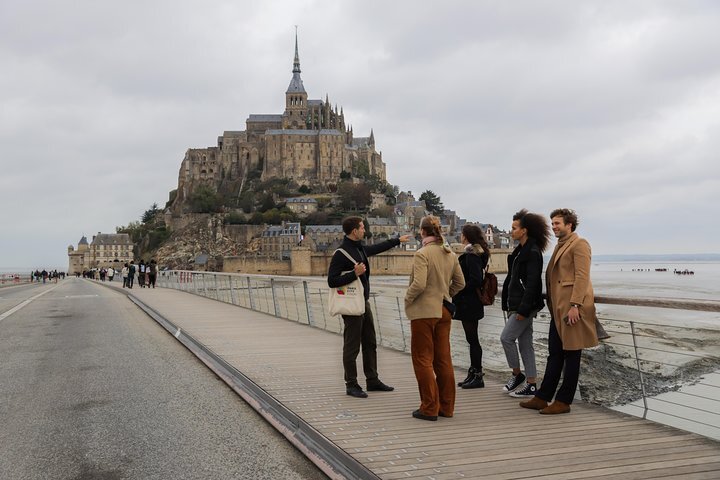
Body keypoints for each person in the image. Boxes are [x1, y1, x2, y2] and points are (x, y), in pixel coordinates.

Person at [520, 208, 599, 414]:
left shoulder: (580, 244)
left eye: (557, 223)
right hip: (558, 309)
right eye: (553, 223)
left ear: (569, 225)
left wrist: (576, 305)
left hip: (571, 309)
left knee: (572, 355)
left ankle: (564, 401)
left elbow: (582, 277)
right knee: (554, 353)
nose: (554, 227)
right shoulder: (561, 245)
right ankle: (543, 397)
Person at [327, 216, 410, 398]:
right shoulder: (341, 253)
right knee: (352, 346)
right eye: (362, 228)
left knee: (370, 342)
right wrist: (353, 274)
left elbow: (376, 248)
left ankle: (372, 380)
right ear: (354, 231)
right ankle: (351, 383)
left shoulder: (359, 249)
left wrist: (397, 240)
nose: (365, 230)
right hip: (351, 305)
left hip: (363, 302)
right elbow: (332, 281)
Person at [405, 216, 465, 421]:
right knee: (443, 359)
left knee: (422, 359)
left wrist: (408, 298)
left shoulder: (422, 254)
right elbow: (460, 283)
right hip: (444, 311)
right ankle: (446, 407)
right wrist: (446, 294)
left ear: (422, 231)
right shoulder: (450, 253)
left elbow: (419, 284)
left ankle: (429, 407)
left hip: (424, 312)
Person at [500, 209, 550, 399]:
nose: (511, 231)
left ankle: (517, 374)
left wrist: (523, 309)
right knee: (526, 344)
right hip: (516, 304)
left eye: (514, 228)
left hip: (523, 306)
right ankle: (531, 384)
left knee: (506, 338)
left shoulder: (533, 252)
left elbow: (532, 284)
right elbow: (512, 279)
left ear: (525, 230)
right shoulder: (520, 251)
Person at [452, 224, 490, 389]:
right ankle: (473, 372)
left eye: (461, 234)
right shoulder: (476, 252)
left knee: (473, 339)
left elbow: (476, 280)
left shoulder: (472, 254)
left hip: (469, 302)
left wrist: (458, 289)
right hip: (469, 302)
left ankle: (478, 375)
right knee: (471, 339)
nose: (460, 236)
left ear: (466, 236)